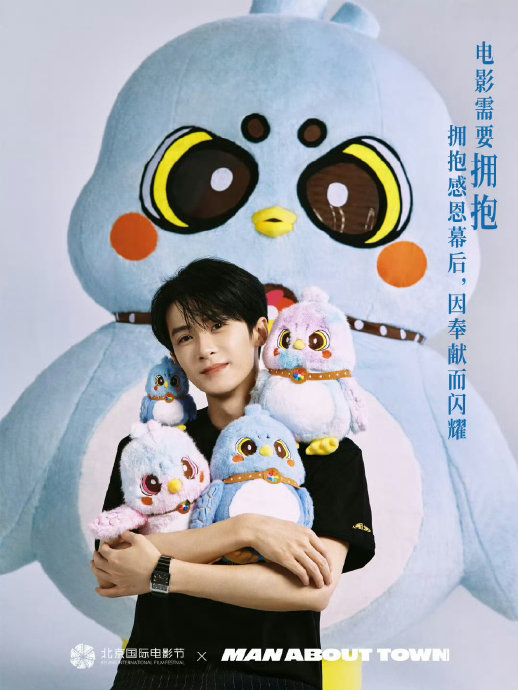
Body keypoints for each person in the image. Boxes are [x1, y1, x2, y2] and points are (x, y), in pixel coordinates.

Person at [91, 258, 375, 690]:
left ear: (260, 332)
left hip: (270, 677)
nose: (204, 348)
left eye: (218, 325)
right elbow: (115, 563)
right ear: (174, 355)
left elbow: (312, 589)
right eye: (185, 336)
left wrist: (161, 571)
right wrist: (246, 530)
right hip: (153, 674)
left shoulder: (327, 452)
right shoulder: (151, 451)